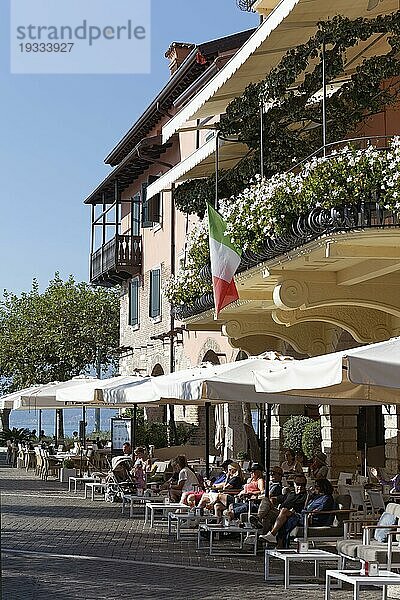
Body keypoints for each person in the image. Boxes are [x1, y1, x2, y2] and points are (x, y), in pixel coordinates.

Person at [262, 478, 334, 548]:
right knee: (284, 515)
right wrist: (308, 497)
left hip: (313, 520)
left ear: (322, 487)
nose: (314, 488)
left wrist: (310, 513)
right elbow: (305, 508)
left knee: (284, 512)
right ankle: (277, 539)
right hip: (304, 516)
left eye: (316, 486)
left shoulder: (327, 498)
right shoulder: (316, 497)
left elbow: (320, 510)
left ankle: (274, 536)